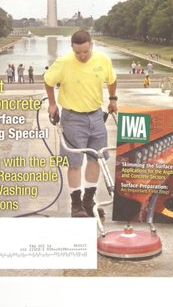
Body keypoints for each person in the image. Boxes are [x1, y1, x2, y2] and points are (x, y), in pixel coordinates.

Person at [44, 30, 117, 218]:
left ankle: (88, 201)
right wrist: (53, 104)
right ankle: (76, 205)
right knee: (74, 163)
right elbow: (48, 81)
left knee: (96, 159)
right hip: (73, 118)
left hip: (96, 116)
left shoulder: (103, 60)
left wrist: (113, 98)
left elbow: (112, 80)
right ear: (72, 48)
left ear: (91, 44)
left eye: (85, 51)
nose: (82, 56)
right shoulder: (63, 62)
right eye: (78, 53)